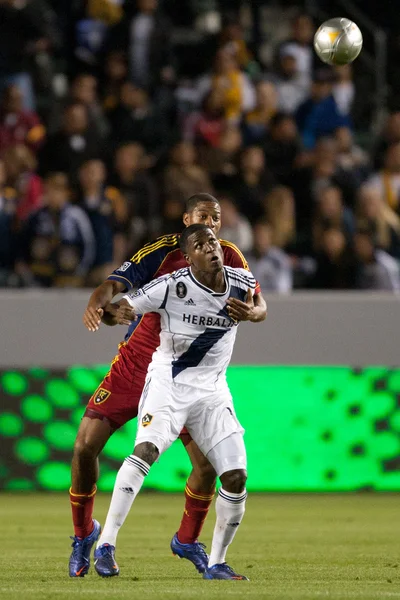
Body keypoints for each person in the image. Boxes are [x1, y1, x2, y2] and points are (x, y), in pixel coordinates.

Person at [69, 192, 266, 577]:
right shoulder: (162, 253)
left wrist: (255, 313)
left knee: (209, 468)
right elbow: (116, 288)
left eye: (215, 220)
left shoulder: (230, 258)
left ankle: (188, 541)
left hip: (190, 375)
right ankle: (84, 536)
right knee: (83, 447)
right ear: (185, 218)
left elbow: (257, 301)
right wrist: (100, 303)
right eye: (202, 218)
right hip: (139, 366)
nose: (209, 227)